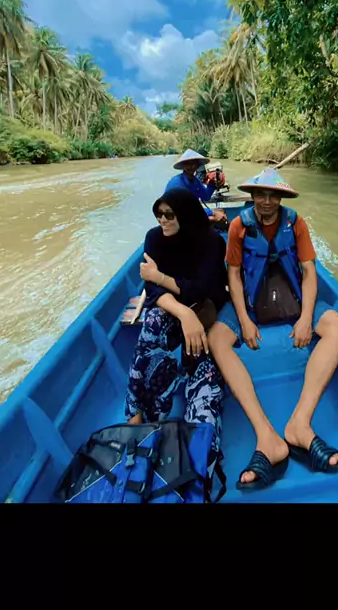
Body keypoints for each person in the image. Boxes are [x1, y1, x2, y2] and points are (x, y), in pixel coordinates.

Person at [207, 168, 338, 492]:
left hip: (292, 300)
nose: (267, 201)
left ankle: (300, 424)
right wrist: (244, 320)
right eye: (261, 194)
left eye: (274, 195)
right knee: (216, 338)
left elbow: (309, 273)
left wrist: (306, 318)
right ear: (253, 196)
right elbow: (233, 276)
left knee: (337, 327)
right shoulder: (238, 226)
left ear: (282, 198)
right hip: (251, 304)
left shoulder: (296, 223)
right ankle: (267, 438)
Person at [125, 188, 228, 476]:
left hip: (206, 308)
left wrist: (160, 276)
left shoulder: (212, 242)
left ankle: (198, 457)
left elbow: (205, 288)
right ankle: (137, 415)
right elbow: (152, 291)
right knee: (153, 324)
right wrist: (183, 313)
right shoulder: (154, 238)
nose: (163, 220)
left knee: (204, 370)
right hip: (176, 310)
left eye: (169, 215)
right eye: (158, 214)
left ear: (185, 215)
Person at [166, 148, 227, 225]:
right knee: (214, 218)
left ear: (197, 165)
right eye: (187, 164)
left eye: (193, 163)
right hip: (176, 219)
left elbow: (205, 197)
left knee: (221, 212)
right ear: (183, 166)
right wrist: (213, 213)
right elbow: (186, 208)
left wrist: (212, 183)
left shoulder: (195, 181)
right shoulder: (176, 183)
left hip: (189, 214)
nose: (190, 166)